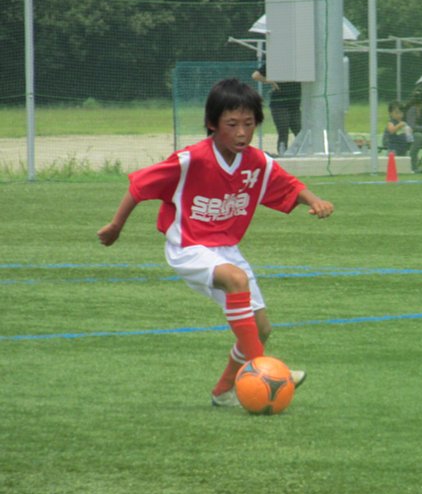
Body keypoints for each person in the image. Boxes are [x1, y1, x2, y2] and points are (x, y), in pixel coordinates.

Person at [97, 78, 334, 408]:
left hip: (226, 249)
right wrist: (116, 226)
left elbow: (289, 185)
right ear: (212, 123)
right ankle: (264, 369)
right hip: (188, 246)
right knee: (236, 280)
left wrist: (314, 200)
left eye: (249, 124)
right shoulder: (190, 159)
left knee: (261, 329)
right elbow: (139, 187)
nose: (241, 133)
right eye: (232, 124)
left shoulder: (257, 163)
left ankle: (223, 392)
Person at [252, 63, 301, 156]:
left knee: (299, 130)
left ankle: (301, 152)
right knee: (283, 130)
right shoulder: (276, 61)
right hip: (279, 104)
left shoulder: (297, 62)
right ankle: (283, 154)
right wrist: (270, 81)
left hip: (295, 103)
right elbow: (256, 75)